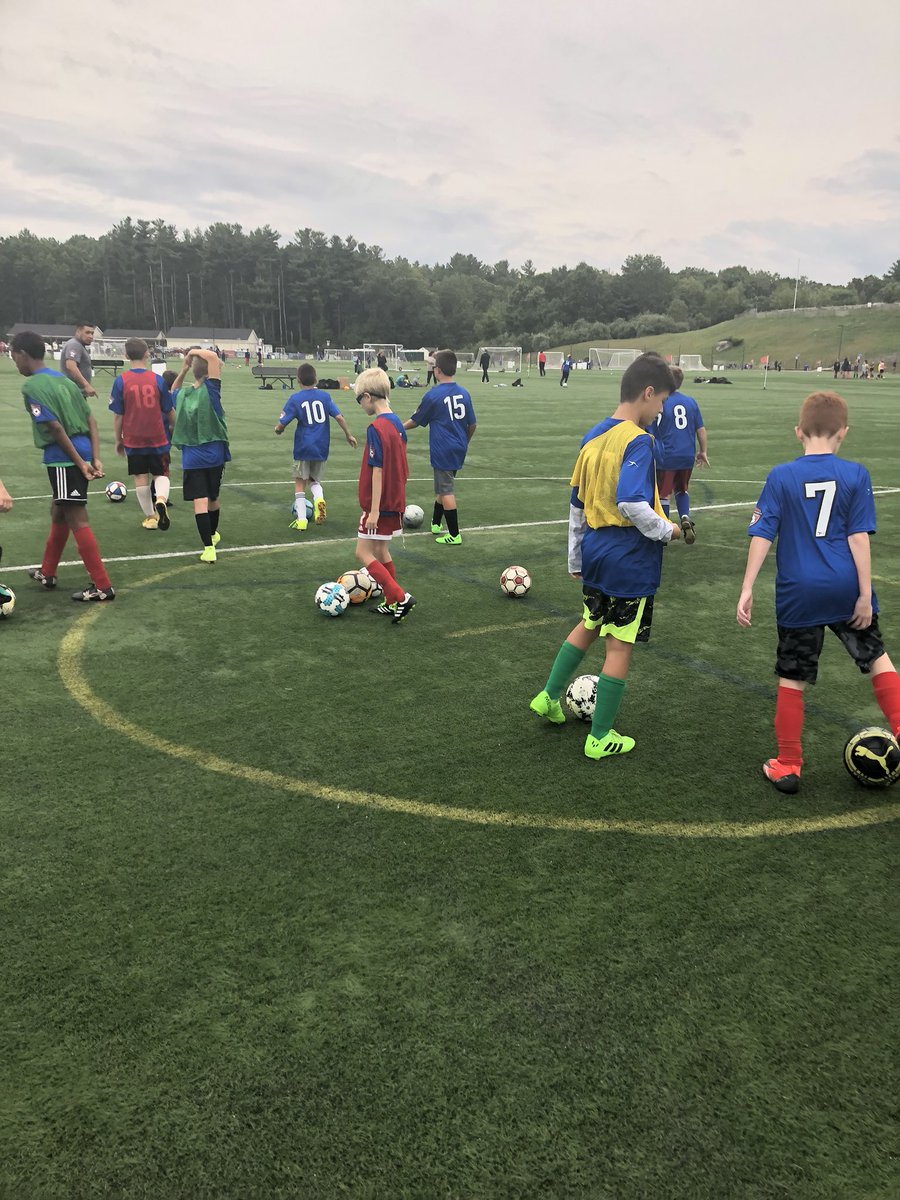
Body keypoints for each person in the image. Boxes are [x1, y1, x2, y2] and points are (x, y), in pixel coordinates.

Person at [737, 390, 900, 794]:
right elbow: (859, 538)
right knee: (878, 659)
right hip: (846, 587)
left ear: (798, 432)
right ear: (843, 432)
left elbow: (762, 535)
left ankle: (789, 764)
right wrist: (864, 593)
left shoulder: (781, 476)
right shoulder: (856, 474)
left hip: (799, 593)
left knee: (792, 679)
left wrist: (747, 587)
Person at [530, 354, 682, 760]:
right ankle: (600, 736)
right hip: (628, 558)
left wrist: (574, 558)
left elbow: (577, 505)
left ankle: (548, 697)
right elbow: (632, 502)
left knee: (590, 622)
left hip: (596, 552)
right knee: (620, 645)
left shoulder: (592, 437)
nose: (662, 410)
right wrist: (668, 530)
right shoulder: (639, 440)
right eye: (662, 401)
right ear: (647, 394)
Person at [11, 330, 115, 601]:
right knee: (59, 510)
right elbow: (91, 421)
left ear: (22, 353)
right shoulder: (67, 382)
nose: (15, 362)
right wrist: (95, 457)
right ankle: (48, 572)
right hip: (78, 451)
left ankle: (102, 586)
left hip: (63, 456)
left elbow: (55, 428)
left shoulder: (32, 387)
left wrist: (81, 463)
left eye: (14, 356)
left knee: (76, 517)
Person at [353, 367, 416, 624]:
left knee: (362, 552)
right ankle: (391, 602)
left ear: (368, 396)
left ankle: (399, 596)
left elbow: (377, 470)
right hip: (395, 499)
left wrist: (374, 510)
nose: (360, 405)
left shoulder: (376, 427)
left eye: (359, 400)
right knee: (381, 549)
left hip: (379, 503)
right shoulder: (398, 423)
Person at [404, 349, 476, 545]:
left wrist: (397, 428)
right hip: (459, 448)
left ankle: (454, 534)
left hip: (443, 449)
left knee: (446, 490)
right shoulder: (464, 393)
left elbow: (416, 420)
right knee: (443, 486)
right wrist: (464, 442)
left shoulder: (434, 395)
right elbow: (472, 424)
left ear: (438, 370)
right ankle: (436, 523)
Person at [274, 362, 357, 532]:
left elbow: (283, 422)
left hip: (303, 447)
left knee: (299, 482)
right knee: (314, 480)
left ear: (298, 380)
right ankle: (319, 498)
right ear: (316, 379)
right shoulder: (325, 397)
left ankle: (302, 519)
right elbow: (339, 417)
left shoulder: (296, 399)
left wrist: (278, 429)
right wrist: (348, 434)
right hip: (321, 446)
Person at [169, 348, 230, 563]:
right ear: (209, 375)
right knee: (213, 498)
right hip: (215, 455)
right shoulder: (212, 391)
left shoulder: (183, 395)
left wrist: (184, 366)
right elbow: (213, 357)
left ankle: (208, 547)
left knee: (200, 502)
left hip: (192, 457)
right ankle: (213, 534)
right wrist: (193, 351)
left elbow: (172, 390)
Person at [108, 338, 175, 531]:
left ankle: (151, 517)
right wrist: (174, 428)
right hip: (157, 437)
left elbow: (118, 415)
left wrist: (118, 439)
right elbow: (169, 410)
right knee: (161, 473)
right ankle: (161, 500)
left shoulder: (121, 381)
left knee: (140, 476)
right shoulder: (158, 380)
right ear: (147, 354)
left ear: (126, 356)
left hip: (133, 438)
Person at [653, 365, 709, 543]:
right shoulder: (691, 402)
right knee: (682, 489)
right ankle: (685, 517)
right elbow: (701, 430)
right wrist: (703, 451)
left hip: (667, 455)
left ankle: (666, 530)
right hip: (686, 455)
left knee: (664, 494)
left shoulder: (661, 401)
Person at [60, 323, 97, 398]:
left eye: (92, 333)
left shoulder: (79, 345)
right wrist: (86, 385)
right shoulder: (75, 345)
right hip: (73, 394)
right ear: (78, 332)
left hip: (75, 394)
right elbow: (70, 366)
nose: (90, 336)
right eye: (87, 333)